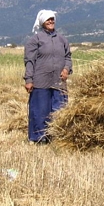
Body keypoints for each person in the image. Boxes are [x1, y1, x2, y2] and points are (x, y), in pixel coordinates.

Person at [24, 9, 73, 144]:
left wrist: (66, 69)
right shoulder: (35, 40)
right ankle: (38, 138)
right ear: (42, 23)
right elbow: (29, 61)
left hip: (59, 81)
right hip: (41, 80)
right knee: (40, 110)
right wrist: (29, 79)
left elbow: (68, 57)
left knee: (59, 110)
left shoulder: (62, 39)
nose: (51, 21)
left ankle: (57, 136)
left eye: (52, 19)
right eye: (48, 20)